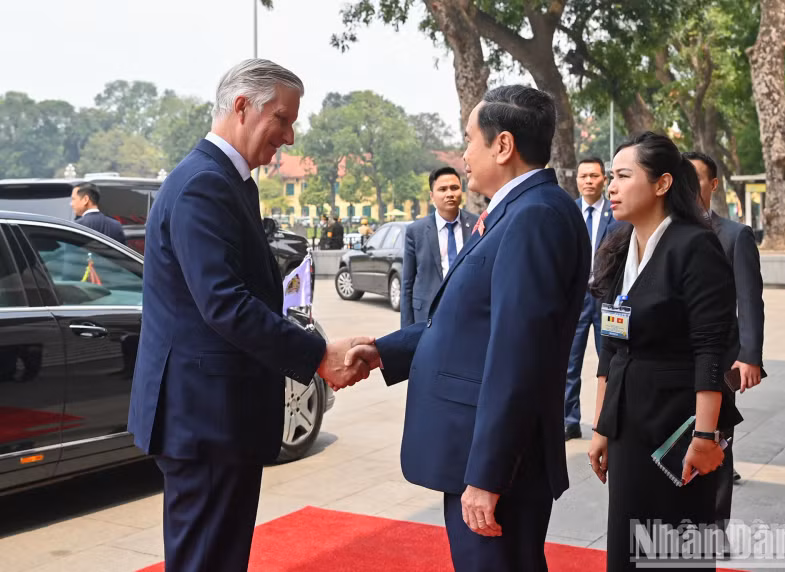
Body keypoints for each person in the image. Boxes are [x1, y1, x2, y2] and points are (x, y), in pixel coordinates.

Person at [127, 59, 371, 572]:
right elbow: (224, 303)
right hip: (205, 418)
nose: (289, 135)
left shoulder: (225, 181)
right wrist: (315, 354)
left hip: (215, 416)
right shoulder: (203, 184)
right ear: (242, 106)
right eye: (282, 119)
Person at [346, 85, 590, 571]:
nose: (464, 154)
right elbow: (467, 322)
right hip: (486, 454)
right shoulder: (517, 211)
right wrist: (383, 351)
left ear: (503, 145)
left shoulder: (535, 216)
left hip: (498, 464)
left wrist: (486, 475)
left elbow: (517, 354)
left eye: (469, 139)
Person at [588, 132, 743, 570]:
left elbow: (710, 347)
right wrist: (602, 426)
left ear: (662, 184)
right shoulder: (622, 247)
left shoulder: (694, 245)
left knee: (672, 551)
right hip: (629, 427)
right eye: (610, 177)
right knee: (628, 545)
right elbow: (610, 349)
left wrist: (705, 436)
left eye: (623, 176)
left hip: (676, 431)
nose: (611, 186)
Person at [685, 150, 765, 523]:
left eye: (696, 179)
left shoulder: (735, 236)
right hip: (674, 363)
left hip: (721, 361)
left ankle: (713, 526)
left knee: (716, 441)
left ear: (713, 184)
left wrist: (749, 355)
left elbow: (749, 300)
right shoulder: (662, 233)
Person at [564, 157, 619, 441]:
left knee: (608, 360)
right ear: (577, 180)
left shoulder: (616, 213)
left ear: (604, 179)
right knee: (569, 362)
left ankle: (606, 420)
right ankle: (569, 420)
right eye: (583, 176)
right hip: (575, 299)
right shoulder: (568, 211)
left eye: (594, 176)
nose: (588, 181)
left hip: (606, 298)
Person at [401, 166, 478, 328]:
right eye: (442, 189)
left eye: (455, 188)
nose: (450, 194)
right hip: (428, 314)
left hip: (469, 312)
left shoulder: (477, 225)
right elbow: (407, 284)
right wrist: (406, 332)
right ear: (432, 196)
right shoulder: (416, 231)